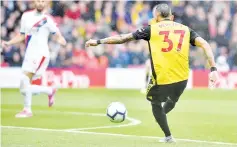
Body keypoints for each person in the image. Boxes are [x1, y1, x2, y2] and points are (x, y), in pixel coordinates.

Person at [85, 4, 219, 143]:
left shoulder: (151, 29)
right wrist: (213, 69)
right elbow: (205, 44)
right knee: (172, 100)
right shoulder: (185, 30)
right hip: (183, 79)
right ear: (172, 17)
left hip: (162, 80)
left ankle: (168, 135)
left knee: (155, 103)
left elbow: (123, 38)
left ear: (156, 17)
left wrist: (99, 41)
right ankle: (162, 116)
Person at [1, 0, 66, 118]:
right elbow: (22, 35)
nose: (40, 3)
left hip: (41, 54)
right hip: (29, 54)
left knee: (25, 80)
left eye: (43, 1)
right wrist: (9, 43)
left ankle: (27, 110)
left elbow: (57, 35)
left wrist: (61, 40)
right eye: (38, 1)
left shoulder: (47, 19)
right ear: (34, 2)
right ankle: (49, 91)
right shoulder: (26, 16)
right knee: (23, 88)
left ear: (46, 3)